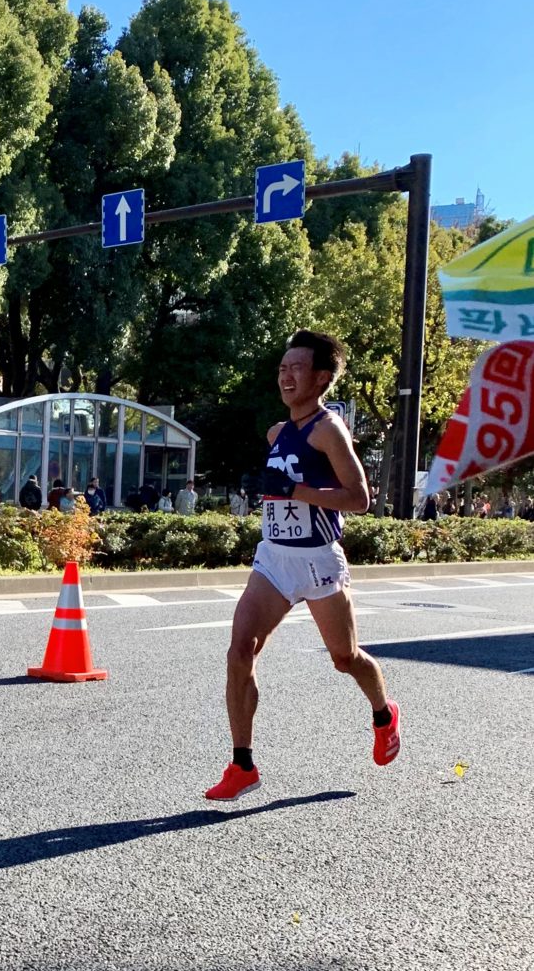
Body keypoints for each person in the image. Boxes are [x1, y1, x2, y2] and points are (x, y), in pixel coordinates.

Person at [205, 329, 401, 802]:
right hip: (274, 557)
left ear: (321, 378)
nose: (286, 376)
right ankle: (242, 765)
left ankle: (384, 713)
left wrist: (296, 491)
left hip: (318, 560)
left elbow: (359, 498)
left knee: (345, 658)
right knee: (240, 651)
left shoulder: (329, 430)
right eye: (282, 368)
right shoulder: (278, 432)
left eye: (297, 368)